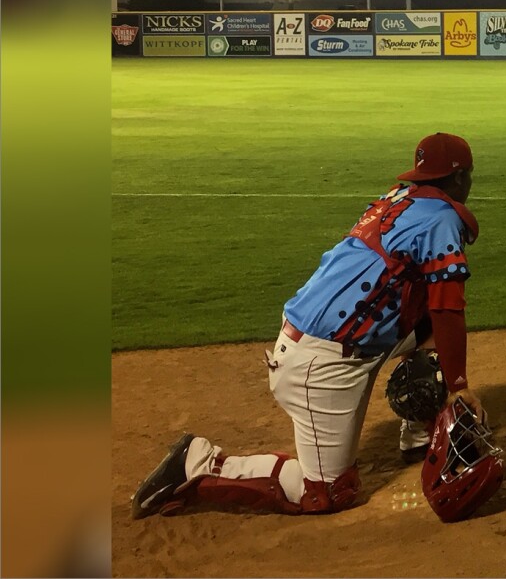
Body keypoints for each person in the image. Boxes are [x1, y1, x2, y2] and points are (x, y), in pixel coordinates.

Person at [130, 132, 483, 518]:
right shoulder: (442, 218)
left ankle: (419, 433)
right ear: (461, 177)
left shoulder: (398, 199)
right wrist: (458, 386)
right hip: (321, 364)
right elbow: (450, 308)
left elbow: (431, 308)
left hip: (327, 336)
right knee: (327, 492)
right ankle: (199, 464)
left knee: (425, 321)